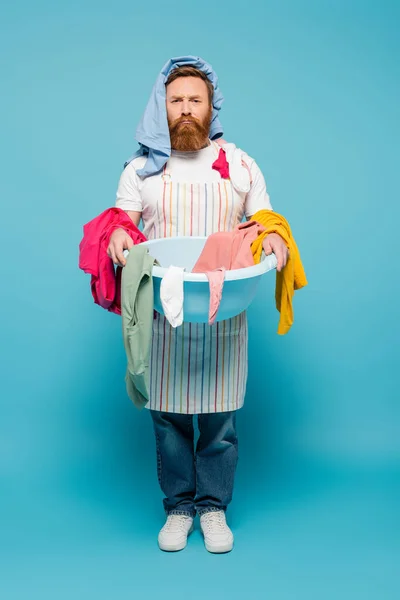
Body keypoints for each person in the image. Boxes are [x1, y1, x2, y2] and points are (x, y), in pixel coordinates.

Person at [107, 56, 288, 554]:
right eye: (175, 101)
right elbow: (121, 224)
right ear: (160, 108)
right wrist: (117, 240)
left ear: (211, 108)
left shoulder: (240, 165)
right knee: (166, 417)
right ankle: (178, 508)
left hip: (221, 316)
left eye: (195, 100)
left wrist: (276, 239)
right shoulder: (140, 170)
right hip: (162, 317)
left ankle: (212, 507)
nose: (185, 109)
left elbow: (265, 217)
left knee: (219, 421)